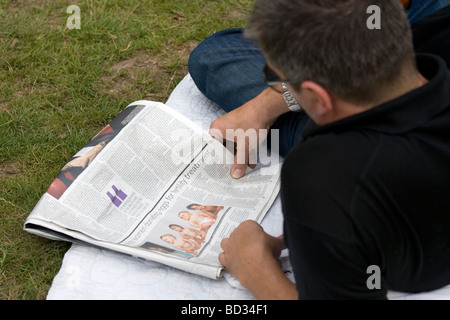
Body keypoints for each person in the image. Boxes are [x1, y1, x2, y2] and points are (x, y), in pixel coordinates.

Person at [188, 0, 450, 299]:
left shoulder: (321, 176)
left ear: (316, 97)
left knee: (214, 53)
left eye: (275, 78)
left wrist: (252, 266)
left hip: (414, 257)